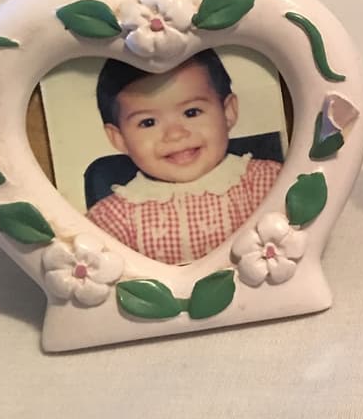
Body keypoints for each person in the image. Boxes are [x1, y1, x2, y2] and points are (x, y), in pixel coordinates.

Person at [86, 50, 282, 265]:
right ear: (119, 138)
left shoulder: (269, 183)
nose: (175, 134)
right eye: (148, 122)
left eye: (191, 112)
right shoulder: (110, 220)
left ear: (228, 112)